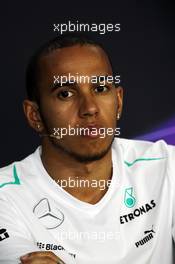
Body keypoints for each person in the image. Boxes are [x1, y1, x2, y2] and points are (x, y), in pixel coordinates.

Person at [0, 33, 174, 264]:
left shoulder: (167, 166)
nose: (90, 108)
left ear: (119, 101)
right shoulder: (5, 195)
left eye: (100, 88)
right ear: (35, 116)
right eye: (65, 93)